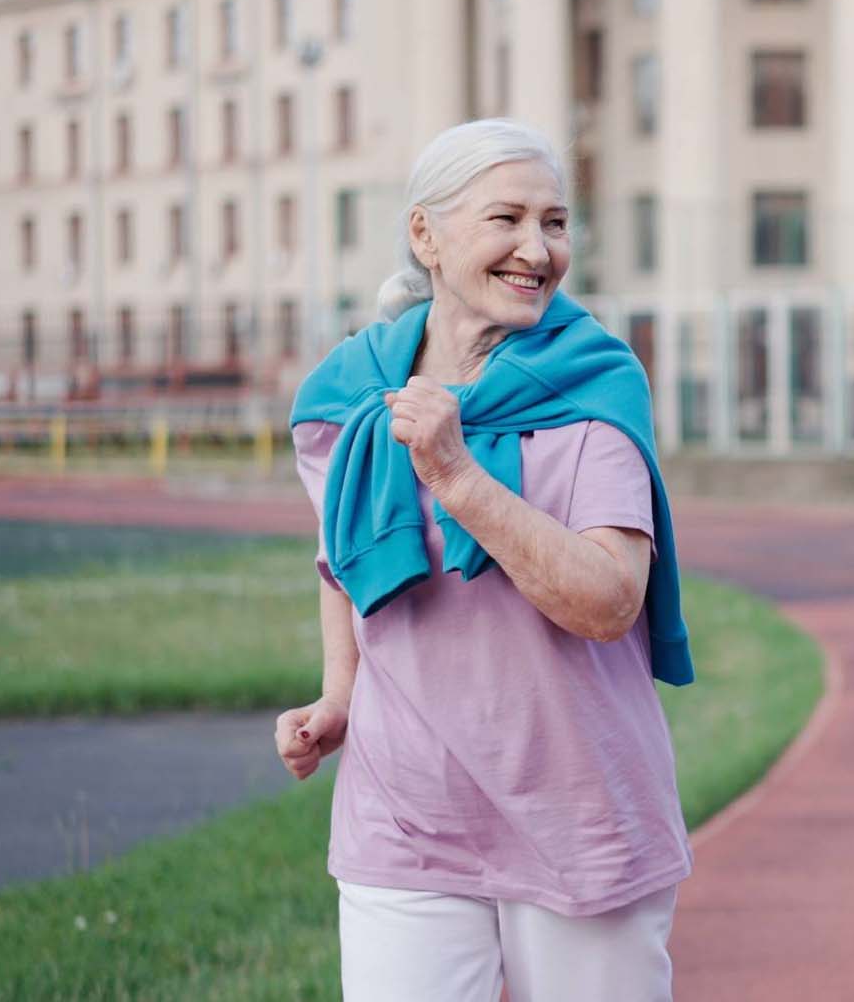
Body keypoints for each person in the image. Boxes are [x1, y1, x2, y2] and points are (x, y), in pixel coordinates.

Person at [275, 119, 693, 1001]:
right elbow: (342, 559)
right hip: (406, 813)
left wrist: (458, 473)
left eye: (555, 222)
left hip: (578, 812)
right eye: (506, 219)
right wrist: (340, 696)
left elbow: (610, 600)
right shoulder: (353, 391)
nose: (536, 249)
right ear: (425, 234)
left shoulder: (593, 386)